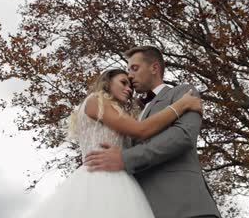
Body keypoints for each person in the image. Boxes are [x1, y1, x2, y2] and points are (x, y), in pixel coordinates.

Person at [23, 68, 202, 218]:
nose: (129, 89)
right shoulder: (96, 101)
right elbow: (141, 130)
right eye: (123, 83)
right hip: (99, 179)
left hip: (121, 178)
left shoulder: (116, 111)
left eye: (130, 86)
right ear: (107, 82)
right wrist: (182, 105)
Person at [85, 46, 222, 218]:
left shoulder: (183, 93)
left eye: (134, 68)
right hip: (142, 208)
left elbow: (183, 137)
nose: (130, 75)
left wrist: (125, 158)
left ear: (154, 68)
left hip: (185, 207)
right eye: (127, 71)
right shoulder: (132, 114)